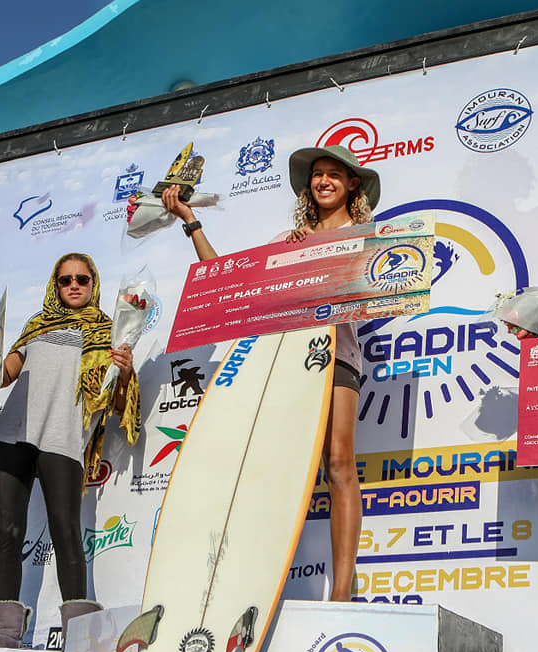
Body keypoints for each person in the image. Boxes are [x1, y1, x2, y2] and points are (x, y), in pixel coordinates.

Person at [161, 144, 379, 602]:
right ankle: (257, 590)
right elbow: (226, 282)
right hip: (286, 365)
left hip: (338, 357)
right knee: (279, 471)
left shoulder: (367, 237)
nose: (323, 182)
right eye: (317, 174)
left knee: (340, 465)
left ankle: (341, 594)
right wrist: (190, 220)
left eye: (333, 174)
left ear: (352, 184)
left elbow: (390, 290)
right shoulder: (288, 241)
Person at [0, 253, 141, 647]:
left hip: (64, 438)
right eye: (66, 280)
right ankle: (6, 633)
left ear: (93, 283)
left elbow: (118, 405)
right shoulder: (37, 325)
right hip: (13, 434)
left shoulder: (109, 331)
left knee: (65, 530)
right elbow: (3, 375)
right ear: (55, 285)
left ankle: (79, 637)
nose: (74, 285)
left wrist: (126, 371)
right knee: (8, 533)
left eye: (82, 278)